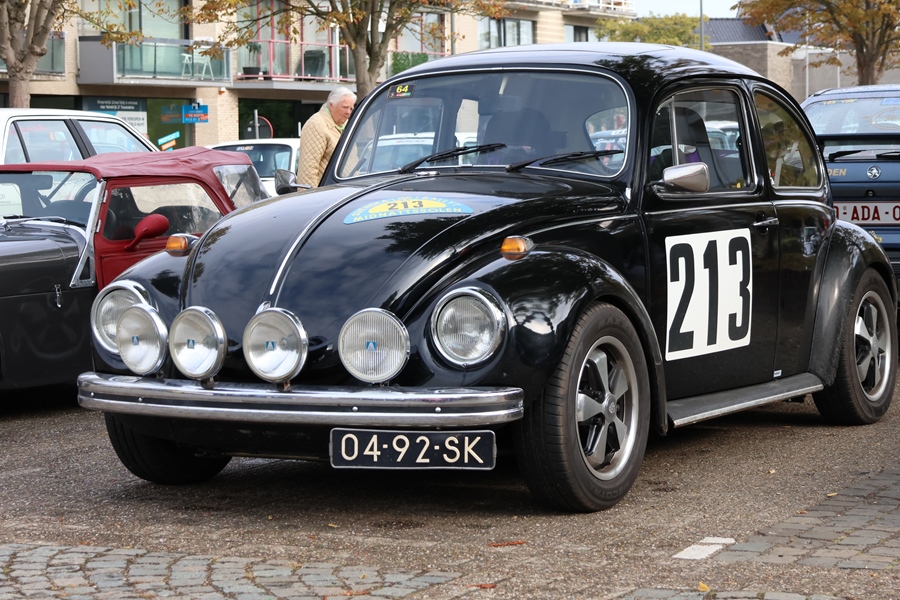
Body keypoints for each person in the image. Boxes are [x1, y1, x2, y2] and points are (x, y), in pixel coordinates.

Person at [297, 86, 357, 187]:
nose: (348, 112)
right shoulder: (316, 124)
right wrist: (312, 196)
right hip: (327, 194)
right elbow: (308, 170)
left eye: (351, 108)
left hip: (347, 191)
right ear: (331, 105)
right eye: (345, 107)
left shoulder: (346, 126)